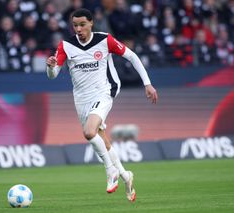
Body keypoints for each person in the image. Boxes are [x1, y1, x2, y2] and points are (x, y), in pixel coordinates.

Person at [45, 8, 158, 202]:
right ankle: (125, 175)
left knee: (89, 132)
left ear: (91, 24)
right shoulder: (66, 46)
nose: (78, 29)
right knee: (101, 139)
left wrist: (147, 83)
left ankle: (110, 172)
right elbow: (53, 75)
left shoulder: (104, 40)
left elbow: (132, 56)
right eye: (75, 25)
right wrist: (50, 66)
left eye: (82, 25)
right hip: (81, 98)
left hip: (105, 91)